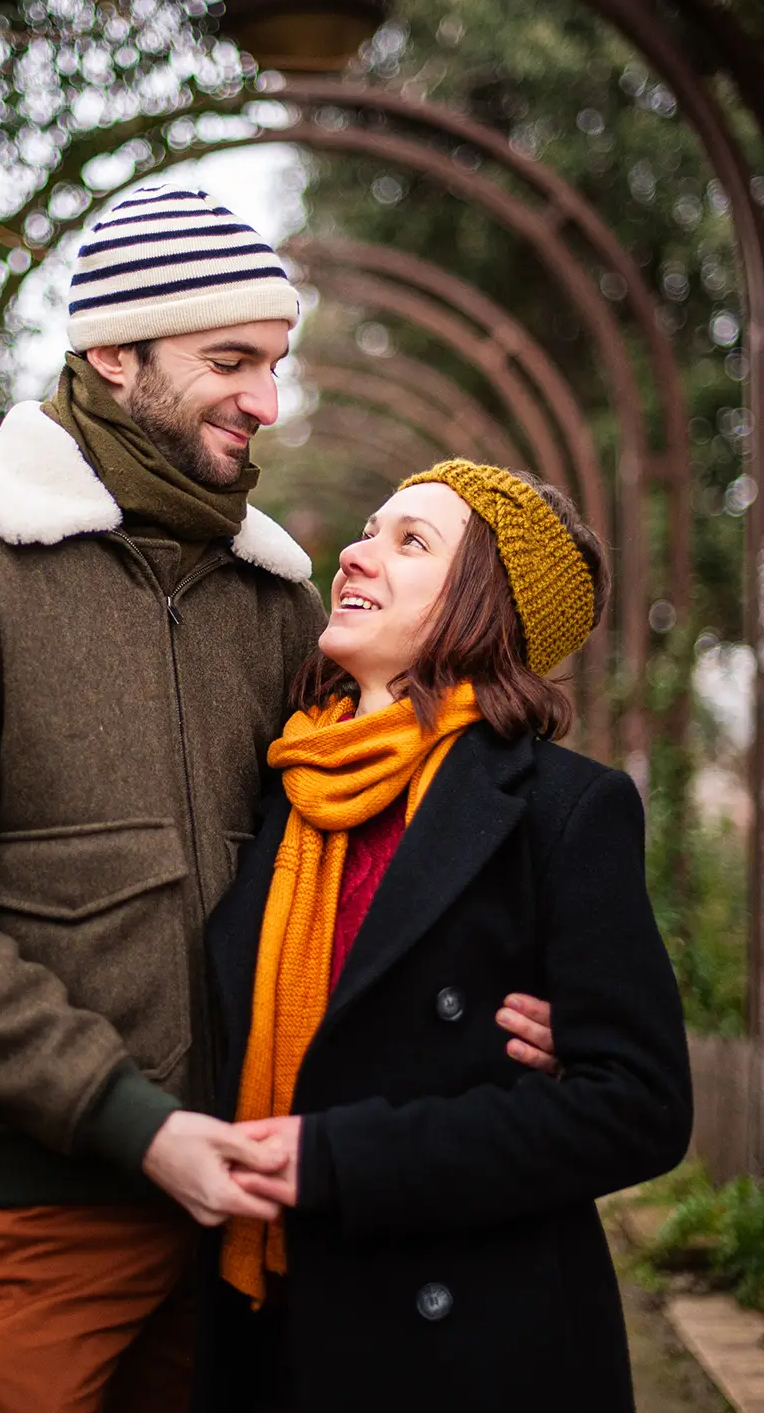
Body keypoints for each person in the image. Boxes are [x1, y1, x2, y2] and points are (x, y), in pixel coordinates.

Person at [0, 187, 557, 1413]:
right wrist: (133, 1123)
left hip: (261, 1215)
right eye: (229, 361)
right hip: (45, 1209)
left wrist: (517, 995)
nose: (265, 403)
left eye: (274, 364)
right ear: (113, 354)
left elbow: (377, 830)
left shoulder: (275, 600)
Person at [204, 461, 693, 1413]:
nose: (356, 551)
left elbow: (640, 1104)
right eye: (371, 526)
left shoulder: (564, 810)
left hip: (468, 1342)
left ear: (485, 608)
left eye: (410, 542)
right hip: (270, 1319)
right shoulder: (283, 785)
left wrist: (342, 1159)